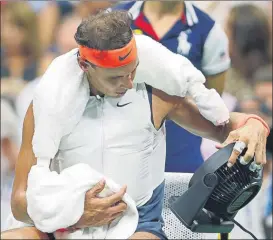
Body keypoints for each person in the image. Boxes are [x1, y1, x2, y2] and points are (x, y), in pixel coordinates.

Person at [1, 10, 269, 240]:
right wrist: (75, 213)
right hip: (65, 221)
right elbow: (20, 203)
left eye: (133, 70)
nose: (129, 83)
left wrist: (254, 124)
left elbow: (223, 125)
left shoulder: (156, 97)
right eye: (117, 76)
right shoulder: (47, 107)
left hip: (138, 226)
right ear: (85, 65)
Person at [112, 0, 231, 172]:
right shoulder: (114, 18)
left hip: (181, 159)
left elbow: (212, 98)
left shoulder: (209, 31)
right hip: (121, 156)